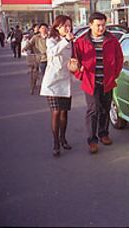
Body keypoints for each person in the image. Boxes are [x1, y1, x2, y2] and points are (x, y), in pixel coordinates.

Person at [73, 12, 123, 154]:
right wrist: (81, 75)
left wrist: (114, 75)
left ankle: (103, 134)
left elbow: (119, 59)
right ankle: (92, 140)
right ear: (90, 25)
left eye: (103, 25)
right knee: (93, 110)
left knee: (105, 109)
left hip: (107, 81)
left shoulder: (112, 40)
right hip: (91, 82)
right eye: (98, 25)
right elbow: (74, 62)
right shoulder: (81, 42)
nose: (101, 28)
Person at [40, 15, 74, 156]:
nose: (68, 28)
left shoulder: (71, 40)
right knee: (56, 112)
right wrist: (66, 39)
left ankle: (62, 138)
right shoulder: (51, 40)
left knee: (64, 113)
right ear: (57, 27)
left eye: (69, 25)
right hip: (53, 82)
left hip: (65, 80)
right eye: (64, 26)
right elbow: (53, 52)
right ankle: (55, 142)